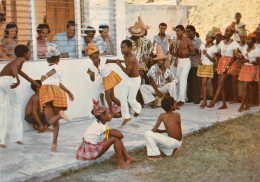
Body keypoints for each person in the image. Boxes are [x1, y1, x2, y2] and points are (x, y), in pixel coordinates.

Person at [76, 101, 140, 169]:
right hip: (91, 151)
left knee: (114, 136)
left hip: (87, 148)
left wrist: (115, 132)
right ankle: (121, 163)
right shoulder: (101, 127)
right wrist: (116, 132)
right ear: (103, 117)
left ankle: (127, 157)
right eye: (109, 113)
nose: (112, 114)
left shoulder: (98, 122)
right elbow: (121, 135)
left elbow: (114, 134)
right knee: (115, 139)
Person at [0, 45, 41, 148]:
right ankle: (16, 138)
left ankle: (1, 141)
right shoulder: (20, 60)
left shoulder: (18, 63)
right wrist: (17, 80)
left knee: (2, 110)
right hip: (8, 81)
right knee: (16, 107)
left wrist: (38, 85)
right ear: (25, 53)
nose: (30, 54)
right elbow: (14, 66)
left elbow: (26, 76)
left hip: (1, 81)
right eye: (29, 52)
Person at [40, 43, 74, 152]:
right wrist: (68, 92)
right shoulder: (54, 67)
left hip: (47, 92)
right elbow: (57, 82)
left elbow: (52, 72)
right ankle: (54, 143)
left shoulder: (54, 67)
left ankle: (54, 143)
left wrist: (45, 76)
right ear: (59, 58)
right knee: (54, 122)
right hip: (55, 91)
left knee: (50, 121)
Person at [208, 25, 239, 109]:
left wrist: (228, 66)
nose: (226, 32)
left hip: (230, 63)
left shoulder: (234, 43)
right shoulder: (222, 43)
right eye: (225, 30)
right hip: (222, 62)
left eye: (228, 31)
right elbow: (219, 54)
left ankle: (213, 101)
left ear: (231, 33)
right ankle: (224, 104)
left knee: (221, 82)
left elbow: (235, 56)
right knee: (220, 83)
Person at [144, 96, 182, 161]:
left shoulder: (162, 115)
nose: (176, 105)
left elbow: (154, 130)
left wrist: (157, 131)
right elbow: (175, 129)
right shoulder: (177, 114)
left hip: (171, 142)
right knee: (158, 139)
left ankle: (156, 155)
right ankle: (171, 151)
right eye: (175, 103)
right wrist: (163, 131)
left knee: (147, 133)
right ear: (171, 106)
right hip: (179, 142)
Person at [87, 47, 121, 116]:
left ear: (99, 56)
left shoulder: (103, 61)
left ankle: (111, 112)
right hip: (105, 79)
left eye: (96, 57)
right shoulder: (91, 67)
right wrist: (90, 74)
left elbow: (114, 61)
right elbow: (92, 79)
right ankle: (124, 108)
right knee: (112, 97)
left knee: (107, 96)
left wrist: (123, 61)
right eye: (93, 58)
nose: (95, 59)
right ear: (90, 59)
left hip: (111, 76)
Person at [116, 40, 142, 126]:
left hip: (135, 80)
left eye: (123, 48)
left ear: (130, 48)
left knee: (131, 100)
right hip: (129, 79)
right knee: (122, 97)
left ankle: (138, 109)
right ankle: (126, 117)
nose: (121, 49)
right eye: (121, 48)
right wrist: (122, 61)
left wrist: (119, 65)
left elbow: (128, 72)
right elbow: (127, 65)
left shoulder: (131, 58)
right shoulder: (126, 56)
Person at [170, 25, 196, 107]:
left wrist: (188, 53)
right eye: (176, 31)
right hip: (180, 61)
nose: (177, 32)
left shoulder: (188, 41)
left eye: (178, 30)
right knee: (177, 80)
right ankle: (177, 98)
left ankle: (182, 99)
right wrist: (170, 48)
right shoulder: (178, 42)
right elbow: (177, 54)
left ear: (182, 31)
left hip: (186, 61)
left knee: (183, 79)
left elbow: (194, 52)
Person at [237, 33, 259, 112]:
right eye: (247, 39)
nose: (247, 41)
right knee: (245, 87)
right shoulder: (245, 48)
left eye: (249, 39)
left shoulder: (257, 50)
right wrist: (240, 58)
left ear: (253, 41)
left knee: (245, 86)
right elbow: (242, 57)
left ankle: (242, 105)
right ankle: (246, 104)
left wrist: (248, 61)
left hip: (252, 68)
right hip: (245, 68)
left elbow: (257, 62)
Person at [197, 29, 218, 108]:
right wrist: (199, 60)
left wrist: (207, 55)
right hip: (202, 66)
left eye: (209, 38)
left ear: (213, 39)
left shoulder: (214, 48)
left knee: (204, 83)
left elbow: (214, 60)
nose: (207, 39)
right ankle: (204, 100)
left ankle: (204, 101)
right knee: (202, 84)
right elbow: (199, 53)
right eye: (206, 37)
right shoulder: (202, 45)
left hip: (209, 66)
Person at [127, 19, 152, 83]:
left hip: (140, 65)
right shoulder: (128, 42)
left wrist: (146, 68)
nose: (137, 37)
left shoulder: (143, 41)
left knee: (139, 81)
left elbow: (145, 55)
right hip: (130, 64)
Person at [186, 25, 202, 104]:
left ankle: (197, 98)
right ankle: (190, 97)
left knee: (196, 82)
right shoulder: (186, 40)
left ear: (193, 32)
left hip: (195, 63)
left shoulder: (198, 41)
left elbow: (198, 51)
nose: (187, 33)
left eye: (189, 31)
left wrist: (191, 50)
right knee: (189, 81)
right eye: (186, 31)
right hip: (188, 64)